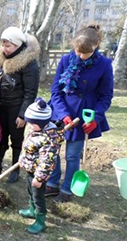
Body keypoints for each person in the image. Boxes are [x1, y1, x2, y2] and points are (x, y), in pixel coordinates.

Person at [45, 23, 114, 203]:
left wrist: (96, 118)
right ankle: (52, 183)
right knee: (52, 150)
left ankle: (67, 188)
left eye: (85, 53)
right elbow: (55, 91)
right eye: (78, 51)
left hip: (84, 115)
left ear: (96, 46)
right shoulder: (66, 60)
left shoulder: (105, 65)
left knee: (72, 155)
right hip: (61, 112)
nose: (81, 56)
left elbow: (106, 96)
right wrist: (62, 114)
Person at [0, 26, 40, 183]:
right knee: (0, 136)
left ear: (18, 45)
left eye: (8, 45)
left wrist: (23, 115)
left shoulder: (29, 63)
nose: (4, 48)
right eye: (3, 45)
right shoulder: (1, 58)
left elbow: (30, 92)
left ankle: (15, 169)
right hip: (1, 105)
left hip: (17, 107)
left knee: (16, 140)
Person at [18, 97, 65, 234]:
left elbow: (47, 162)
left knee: (38, 197)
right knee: (30, 191)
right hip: (30, 169)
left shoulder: (48, 140)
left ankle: (40, 221)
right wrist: (22, 158)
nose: (29, 126)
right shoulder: (36, 130)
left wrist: (39, 179)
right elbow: (27, 147)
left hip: (39, 173)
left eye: (32, 123)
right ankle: (32, 210)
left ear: (43, 123)